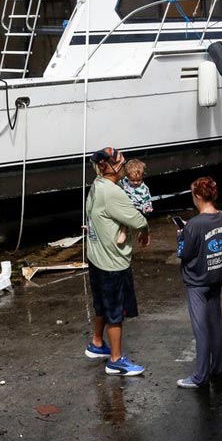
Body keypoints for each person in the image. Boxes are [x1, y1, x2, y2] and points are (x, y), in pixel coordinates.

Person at [84, 147, 151, 376]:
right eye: (121, 164)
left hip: (95, 258)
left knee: (102, 305)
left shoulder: (96, 185)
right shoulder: (113, 193)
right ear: (112, 167)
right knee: (115, 313)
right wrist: (145, 229)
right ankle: (116, 359)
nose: (124, 167)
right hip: (112, 262)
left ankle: (97, 343)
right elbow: (136, 218)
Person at [175, 176, 222, 389]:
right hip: (216, 276)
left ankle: (200, 376)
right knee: (216, 325)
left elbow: (185, 253)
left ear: (198, 196)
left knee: (201, 329)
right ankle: (218, 369)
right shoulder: (221, 216)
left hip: (197, 281)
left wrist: (182, 234)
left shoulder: (195, 224)